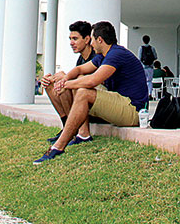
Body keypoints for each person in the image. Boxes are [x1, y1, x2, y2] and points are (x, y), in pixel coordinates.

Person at [34, 21, 150, 164]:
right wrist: (64, 80)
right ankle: (82, 134)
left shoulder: (117, 54)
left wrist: (66, 84)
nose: (92, 44)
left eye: (93, 39)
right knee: (80, 80)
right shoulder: (104, 55)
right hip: (120, 101)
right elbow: (80, 70)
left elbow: (93, 80)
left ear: (100, 40)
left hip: (133, 110)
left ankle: (58, 146)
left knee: (83, 90)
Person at [40, 20, 96, 142]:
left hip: (93, 103)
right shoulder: (81, 59)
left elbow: (89, 82)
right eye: (70, 39)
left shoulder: (96, 57)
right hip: (81, 103)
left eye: (75, 39)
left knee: (65, 86)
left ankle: (76, 131)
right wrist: (54, 79)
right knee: (51, 84)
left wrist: (65, 77)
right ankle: (67, 126)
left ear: (87, 40)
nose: (71, 43)